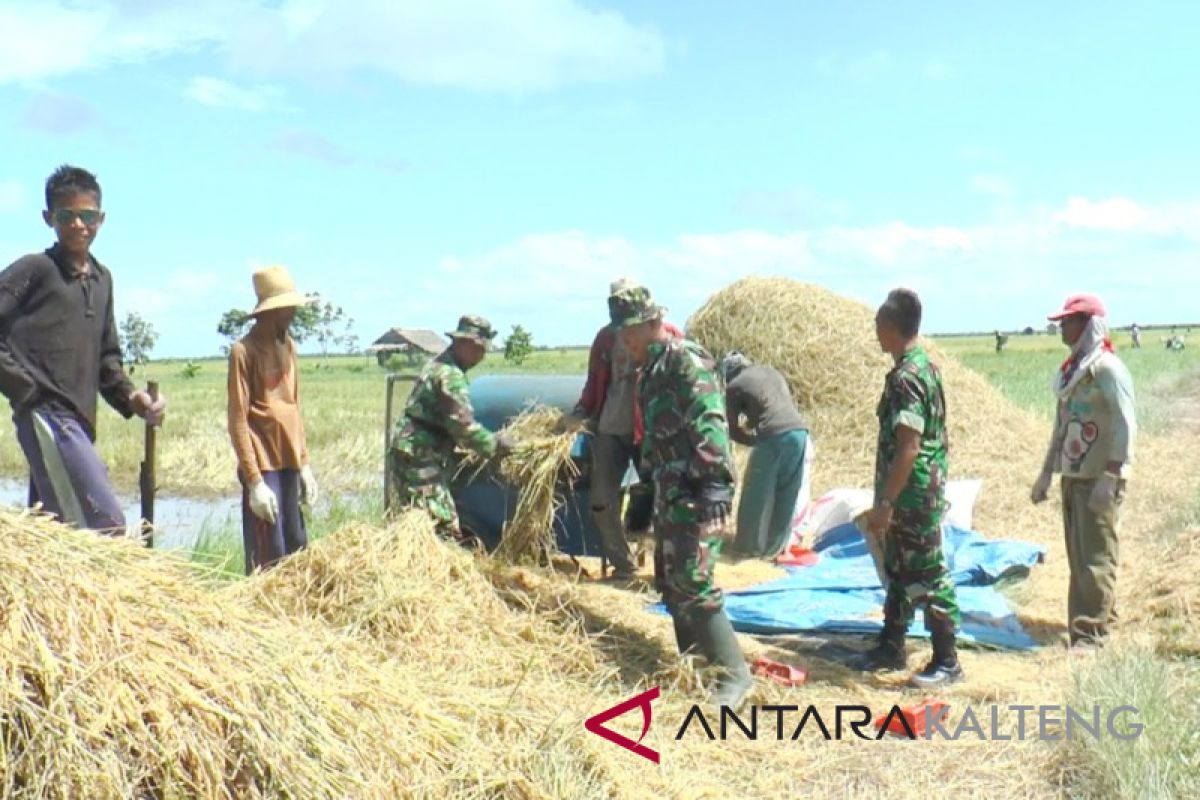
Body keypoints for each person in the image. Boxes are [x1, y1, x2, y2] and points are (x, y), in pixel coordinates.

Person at [0, 165, 166, 534]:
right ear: (49, 218)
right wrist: (24, 389)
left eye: (87, 215)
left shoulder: (102, 278)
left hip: (79, 419)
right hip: (47, 413)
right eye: (66, 215)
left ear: (101, 219)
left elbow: (108, 359)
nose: (78, 224)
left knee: (51, 527)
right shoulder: (36, 270)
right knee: (104, 524)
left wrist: (132, 398)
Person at [615, 286, 752, 708]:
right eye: (622, 335)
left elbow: (708, 418)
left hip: (695, 491)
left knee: (695, 580)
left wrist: (714, 482)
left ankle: (735, 677)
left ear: (654, 324)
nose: (626, 343)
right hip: (669, 492)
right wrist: (642, 492)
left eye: (631, 333)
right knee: (672, 582)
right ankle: (693, 666)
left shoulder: (683, 360)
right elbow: (653, 439)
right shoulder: (650, 373)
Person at [854, 289, 963, 688]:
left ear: (892, 327)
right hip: (911, 489)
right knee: (898, 568)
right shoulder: (923, 368)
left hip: (912, 493)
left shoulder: (908, 378)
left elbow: (909, 446)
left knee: (927, 572)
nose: (875, 331)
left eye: (878, 324)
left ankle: (947, 659)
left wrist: (886, 502)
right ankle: (891, 643)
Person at [1031, 294, 1136, 652]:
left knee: (1095, 555)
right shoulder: (1073, 371)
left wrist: (1111, 475)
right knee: (1079, 554)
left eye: (1070, 320)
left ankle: (1091, 633)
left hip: (1099, 476)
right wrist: (1047, 473)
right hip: (1074, 475)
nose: (1062, 326)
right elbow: (1061, 427)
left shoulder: (1107, 369)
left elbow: (1125, 424)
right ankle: (1100, 614)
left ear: (1089, 324)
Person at [574, 278, 683, 579]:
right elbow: (594, 379)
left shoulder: (669, 337)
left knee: (656, 499)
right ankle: (624, 567)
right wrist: (582, 411)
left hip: (648, 429)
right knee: (601, 501)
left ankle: (664, 571)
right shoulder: (605, 339)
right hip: (611, 424)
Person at [389, 315, 514, 543]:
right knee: (440, 523)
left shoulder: (440, 364)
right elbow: (462, 425)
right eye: (480, 349)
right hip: (419, 454)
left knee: (418, 517)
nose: (482, 356)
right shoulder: (450, 375)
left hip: (411, 450)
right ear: (467, 344)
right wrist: (494, 444)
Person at [227, 265, 317, 574]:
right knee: (269, 556)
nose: (291, 314)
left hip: (290, 463)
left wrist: (304, 464)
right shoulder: (244, 352)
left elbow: (294, 407)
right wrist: (254, 483)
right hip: (264, 467)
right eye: (286, 308)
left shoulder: (289, 347)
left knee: (297, 548)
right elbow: (238, 421)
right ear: (271, 311)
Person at [720, 351, 809, 560]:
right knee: (786, 493)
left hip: (773, 437)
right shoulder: (771, 372)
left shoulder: (734, 387)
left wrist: (753, 441)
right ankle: (774, 549)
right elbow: (769, 407)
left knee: (755, 494)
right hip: (800, 433)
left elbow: (732, 430)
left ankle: (746, 548)